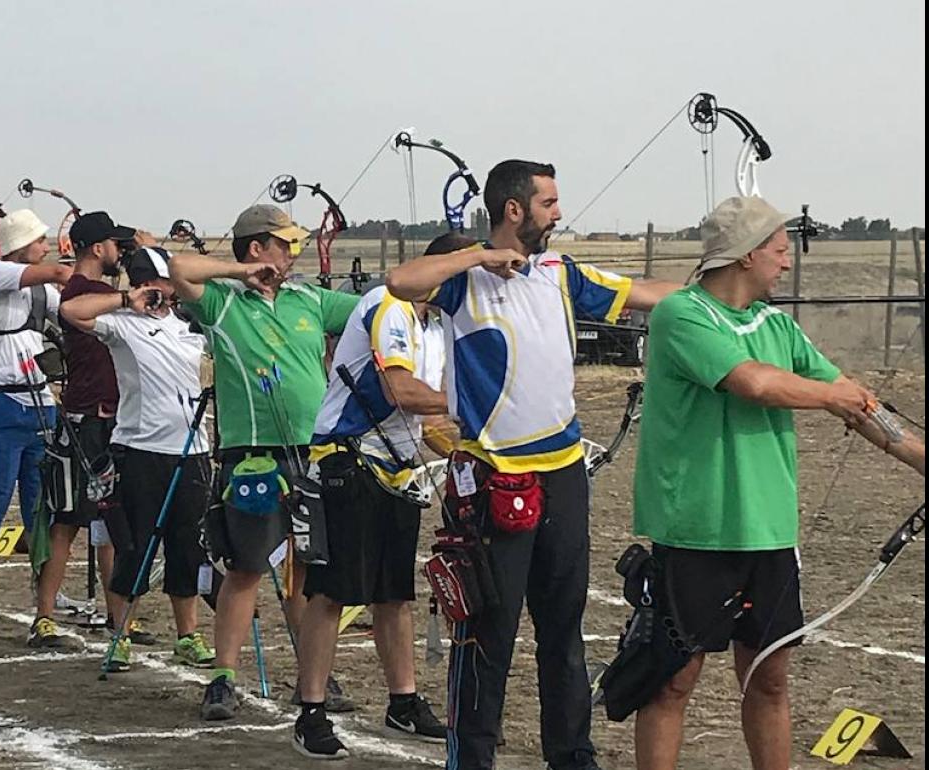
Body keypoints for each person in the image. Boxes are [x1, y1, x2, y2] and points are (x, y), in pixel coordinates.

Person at [387, 159, 681, 770]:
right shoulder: (464, 280)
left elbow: (647, 294)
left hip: (563, 473)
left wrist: (718, 292)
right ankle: (472, 758)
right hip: (495, 477)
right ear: (513, 210)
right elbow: (401, 281)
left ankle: (571, 753)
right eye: (548, 202)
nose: (559, 212)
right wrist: (475, 257)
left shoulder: (560, 272)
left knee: (563, 627)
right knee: (487, 632)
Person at [630, 196, 927, 770]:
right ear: (744, 257)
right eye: (779, 250)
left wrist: (918, 455)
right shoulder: (682, 314)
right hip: (696, 530)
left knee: (769, 680)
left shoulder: (778, 325)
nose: (786, 263)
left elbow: (859, 405)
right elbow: (754, 383)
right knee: (671, 682)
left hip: (768, 532)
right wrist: (834, 395)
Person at [169, 203, 361, 721]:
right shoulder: (224, 303)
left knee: (308, 573)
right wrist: (240, 273)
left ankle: (313, 677)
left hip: (312, 453)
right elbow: (177, 268)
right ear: (258, 248)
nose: (293, 251)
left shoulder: (308, 299)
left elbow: (371, 308)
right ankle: (223, 679)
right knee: (248, 569)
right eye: (284, 243)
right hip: (254, 459)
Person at [291, 233, 471, 759]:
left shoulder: (436, 324)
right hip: (347, 461)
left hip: (394, 467)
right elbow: (401, 390)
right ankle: (311, 712)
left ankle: (404, 702)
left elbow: (430, 417)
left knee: (395, 593)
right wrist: (477, 407)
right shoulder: (388, 304)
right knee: (333, 592)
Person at [61, 245, 217, 670]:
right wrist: (125, 299)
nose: (174, 289)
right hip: (140, 450)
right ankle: (121, 633)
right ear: (149, 284)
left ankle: (187, 635)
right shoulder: (121, 324)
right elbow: (72, 311)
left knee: (188, 547)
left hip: (192, 450)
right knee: (135, 546)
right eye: (166, 282)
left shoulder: (191, 326)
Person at [0, 210, 72, 623]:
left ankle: (45, 592)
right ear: (21, 244)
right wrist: (66, 271)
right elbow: (50, 274)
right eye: (39, 240)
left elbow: (71, 310)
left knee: (42, 506)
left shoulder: (40, 289)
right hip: (0, 405)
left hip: (40, 404)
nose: (45, 247)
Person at [28, 211, 127, 646]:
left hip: (111, 417)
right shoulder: (84, 292)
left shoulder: (101, 290)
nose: (119, 252)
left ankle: (116, 615)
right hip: (86, 417)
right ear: (96, 248)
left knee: (111, 522)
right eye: (114, 244)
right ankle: (44, 615)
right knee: (65, 519)